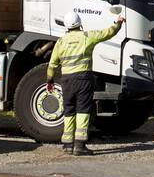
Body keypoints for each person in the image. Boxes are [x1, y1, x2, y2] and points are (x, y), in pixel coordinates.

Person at [45, 9, 123, 156]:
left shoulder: (61, 42)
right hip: (83, 79)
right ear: (80, 24)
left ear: (67, 26)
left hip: (67, 80)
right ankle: (79, 146)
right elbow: (107, 33)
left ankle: (68, 145)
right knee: (83, 110)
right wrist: (117, 23)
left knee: (69, 110)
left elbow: (52, 64)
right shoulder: (87, 36)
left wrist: (49, 80)